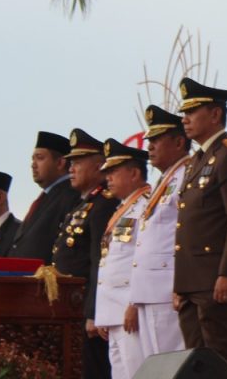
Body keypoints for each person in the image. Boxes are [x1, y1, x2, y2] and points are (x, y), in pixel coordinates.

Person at [173, 78, 227, 372]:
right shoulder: (196, 160)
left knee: (219, 358)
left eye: (192, 112)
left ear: (215, 114)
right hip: (191, 279)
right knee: (195, 362)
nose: (185, 119)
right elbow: (189, 223)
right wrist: (180, 281)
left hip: (214, 276)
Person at [52, 128, 120, 379]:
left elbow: (99, 261)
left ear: (99, 165)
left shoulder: (104, 203)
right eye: (70, 162)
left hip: (86, 306)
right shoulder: (84, 203)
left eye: (78, 162)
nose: (71, 168)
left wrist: (94, 311)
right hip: (72, 307)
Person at [129, 106, 189, 359]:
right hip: (149, 288)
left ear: (178, 141)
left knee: (170, 362)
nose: (150, 147)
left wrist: (183, 283)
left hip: (167, 285)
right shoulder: (164, 181)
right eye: (149, 141)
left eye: (156, 140)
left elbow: (186, 231)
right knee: (153, 367)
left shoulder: (187, 174)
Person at [93, 139, 153, 379]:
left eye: (114, 171)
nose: (108, 177)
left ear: (135, 172)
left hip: (129, 308)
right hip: (113, 310)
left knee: (137, 372)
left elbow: (143, 257)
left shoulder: (146, 206)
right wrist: (103, 312)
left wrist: (135, 302)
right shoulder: (123, 209)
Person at [9, 131, 82, 262]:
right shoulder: (47, 196)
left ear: (60, 163)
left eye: (40, 158)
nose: (33, 164)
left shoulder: (70, 195)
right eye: (33, 159)